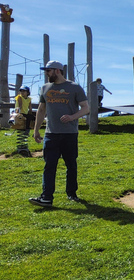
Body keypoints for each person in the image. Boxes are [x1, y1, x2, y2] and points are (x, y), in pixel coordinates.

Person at [29, 61, 89, 207]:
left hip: (69, 134)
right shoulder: (45, 88)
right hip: (51, 134)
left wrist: (72, 117)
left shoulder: (74, 87)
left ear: (57, 71)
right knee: (49, 166)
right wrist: (36, 130)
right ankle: (46, 197)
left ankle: (72, 193)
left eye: (48, 71)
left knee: (71, 165)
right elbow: (41, 110)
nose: (46, 73)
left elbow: (86, 108)